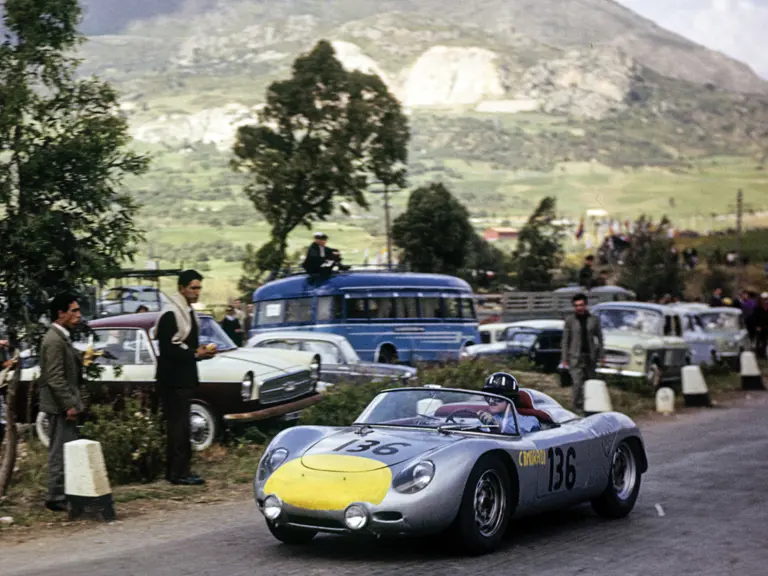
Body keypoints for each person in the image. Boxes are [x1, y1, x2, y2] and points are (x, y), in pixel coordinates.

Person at [154, 270, 216, 486]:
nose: (197, 292)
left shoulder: (188, 312)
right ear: (181, 288)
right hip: (173, 380)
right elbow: (168, 348)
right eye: (193, 287)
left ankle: (181, 470)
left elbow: (183, 345)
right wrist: (193, 353)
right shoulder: (172, 313)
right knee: (178, 427)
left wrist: (198, 353)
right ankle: (178, 473)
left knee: (181, 426)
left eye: (199, 288)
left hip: (184, 377)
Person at [38, 293, 85, 512]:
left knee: (66, 447)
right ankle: (55, 495)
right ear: (61, 313)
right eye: (74, 310)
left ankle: (65, 492)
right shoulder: (54, 339)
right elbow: (54, 377)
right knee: (59, 449)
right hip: (59, 406)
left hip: (63, 403)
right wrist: (69, 404)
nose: (78, 314)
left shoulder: (61, 337)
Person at [560, 293, 604, 413]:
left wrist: (601, 354)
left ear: (585, 305)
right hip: (575, 357)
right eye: (576, 305)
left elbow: (599, 337)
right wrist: (564, 359)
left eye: (581, 305)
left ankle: (590, 407)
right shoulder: (570, 320)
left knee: (590, 382)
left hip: (590, 356)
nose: (579, 307)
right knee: (577, 382)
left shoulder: (593, 319)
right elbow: (565, 340)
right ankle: (576, 407)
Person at [754, 293, 768, 360]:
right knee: (759, 341)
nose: (766, 300)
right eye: (765, 299)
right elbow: (755, 317)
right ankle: (758, 354)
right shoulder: (758, 307)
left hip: (766, 326)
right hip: (760, 326)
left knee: (765, 341)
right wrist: (757, 326)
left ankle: (763, 354)